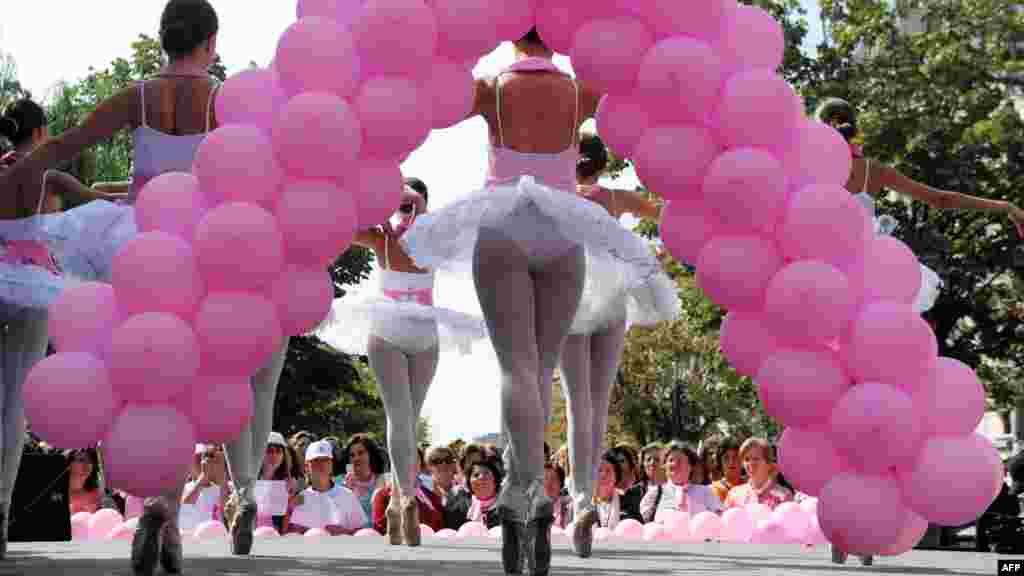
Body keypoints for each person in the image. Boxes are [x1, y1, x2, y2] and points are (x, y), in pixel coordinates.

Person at [401, 28, 658, 575]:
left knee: (516, 370)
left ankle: (522, 496)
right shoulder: (581, 91)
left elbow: (425, 100)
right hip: (564, 230)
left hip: (503, 226)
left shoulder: (489, 89)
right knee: (538, 372)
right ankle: (534, 495)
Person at [0, 3, 225, 573]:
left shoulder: (140, 95)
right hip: (196, 244)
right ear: (211, 40)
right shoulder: (225, 100)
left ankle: (141, 495)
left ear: (164, 40)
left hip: (133, 241)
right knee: (181, 381)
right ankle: (165, 513)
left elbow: (65, 142)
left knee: (126, 370)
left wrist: (16, 177)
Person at [316, 178, 485, 547]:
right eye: (401, 202)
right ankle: (404, 496)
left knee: (405, 419)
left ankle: (400, 498)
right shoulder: (382, 237)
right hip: (393, 327)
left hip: (420, 330)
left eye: (411, 202)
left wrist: (418, 214)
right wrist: (374, 209)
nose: (406, 208)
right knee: (401, 418)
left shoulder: (433, 237)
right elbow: (339, 229)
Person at [561, 133, 679, 557]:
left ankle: (580, 501)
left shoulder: (556, 198)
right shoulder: (616, 199)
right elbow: (669, 214)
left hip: (573, 302)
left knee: (580, 406)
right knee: (596, 403)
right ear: (603, 165)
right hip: (609, 299)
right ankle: (585, 498)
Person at [815, 97, 1024, 312]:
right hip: (868, 268)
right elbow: (941, 199)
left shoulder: (808, 166)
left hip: (815, 262)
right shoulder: (872, 170)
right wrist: (1005, 206)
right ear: (853, 126)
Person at [289, 441, 367, 535]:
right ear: (306, 466)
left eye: (325, 460)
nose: (321, 464)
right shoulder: (300, 497)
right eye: (316, 460)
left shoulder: (347, 495)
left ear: (331, 464)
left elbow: (361, 533)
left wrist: (344, 533)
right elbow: (294, 531)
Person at [640, 441, 721, 522]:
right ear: (664, 465)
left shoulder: (706, 492)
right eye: (671, 460)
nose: (675, 463)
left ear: (691, 466)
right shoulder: (655, 493)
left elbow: (718, 519)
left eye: (680, 460)